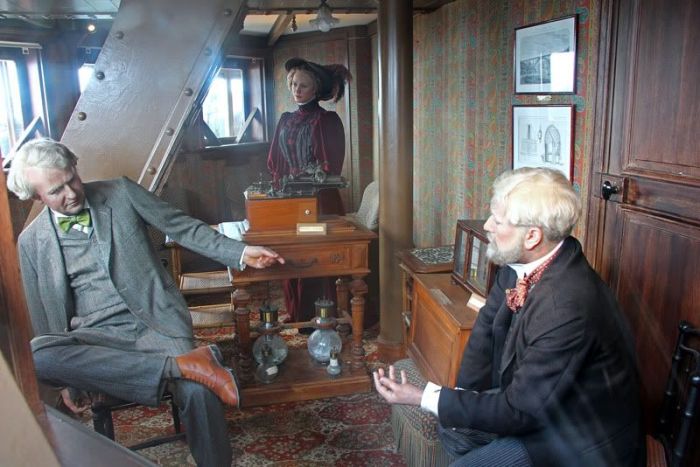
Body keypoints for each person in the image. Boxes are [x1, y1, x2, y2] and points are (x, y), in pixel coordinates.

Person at [7, 138, 285, 467]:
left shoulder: (121, 192)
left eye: (73, 179)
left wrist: (240, 253)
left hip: (157, 322)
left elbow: (182, 227)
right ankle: (187, 366)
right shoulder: (30, 243)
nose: (71, 193)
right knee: (37, 354)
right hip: (99, 339)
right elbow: (46, 319)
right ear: (37, 196)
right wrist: (68, 381)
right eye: (56, 191)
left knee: (199, 391)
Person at [373, 167, 644, 467]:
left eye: (498, 220)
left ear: (531, 236)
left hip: (580, 438)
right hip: (540, 407)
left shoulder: (565, 305)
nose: (487, 225)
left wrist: (422, 396)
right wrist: (461, 394)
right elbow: (484, 333)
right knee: (453, 428)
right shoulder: (518, 266)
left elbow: (520, 412)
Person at [267, 57, 351, 324]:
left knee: (315, 258)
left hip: (320, 201)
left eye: (303, 85)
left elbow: (330, 166)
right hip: (289, 199)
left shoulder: (326, 120)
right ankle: (296, 313)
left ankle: (320, 316)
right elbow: (275, 161)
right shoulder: (286, 119)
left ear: (316, 90)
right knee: (290, 255)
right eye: (293, 84)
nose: (296, 90)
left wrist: (304, 180)